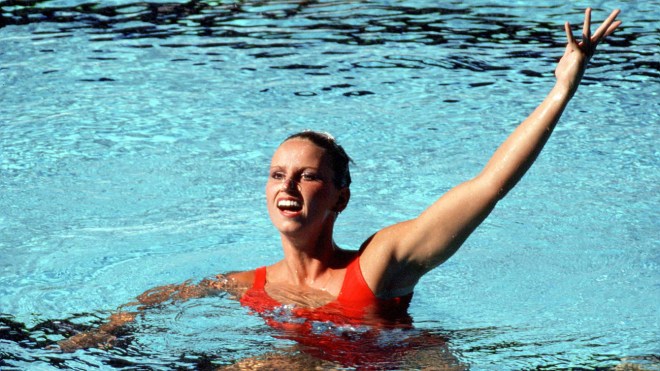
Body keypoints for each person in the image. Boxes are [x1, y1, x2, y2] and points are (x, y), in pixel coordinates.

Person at [57, 7, 621, 365]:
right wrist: (113, 326)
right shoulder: (245, 285)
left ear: (339, 196)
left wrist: (561, 90)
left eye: (308, 176)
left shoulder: (381, 263)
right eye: (279, 174)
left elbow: (489, 186)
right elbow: (160, 299)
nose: (290, 186)